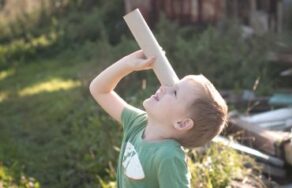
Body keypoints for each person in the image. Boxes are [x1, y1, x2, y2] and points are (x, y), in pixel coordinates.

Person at [89, 50, 228, 188]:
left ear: (182, 123)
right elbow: (99, 90)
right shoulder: (138, 123)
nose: (163, 87)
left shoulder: (168, 156)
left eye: (174, 92)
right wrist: (128, 64)